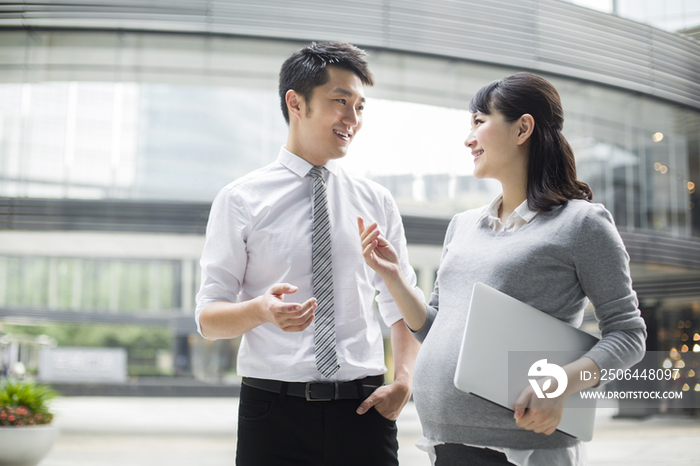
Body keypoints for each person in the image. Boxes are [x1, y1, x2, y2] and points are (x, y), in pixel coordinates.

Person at [358, 72, 647, 466]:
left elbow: (628, 335)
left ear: (523, 128)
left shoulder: (582, 224)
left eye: (479, 122)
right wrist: (393, 277)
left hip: (525, 449)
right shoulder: (462, 225)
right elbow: (435, 327)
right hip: (445, 443)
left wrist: (562, 384)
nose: (468, 138)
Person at [194, 42, 422, 466]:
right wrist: (261, 310)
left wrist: (405, 380)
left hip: (364, 409)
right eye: (340, 102)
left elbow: (400, 304)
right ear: (295, 102)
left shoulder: (377, 201)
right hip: (273, 413)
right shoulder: (240, 199)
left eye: (360, 107)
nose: (352, 119)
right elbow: (208, 318)